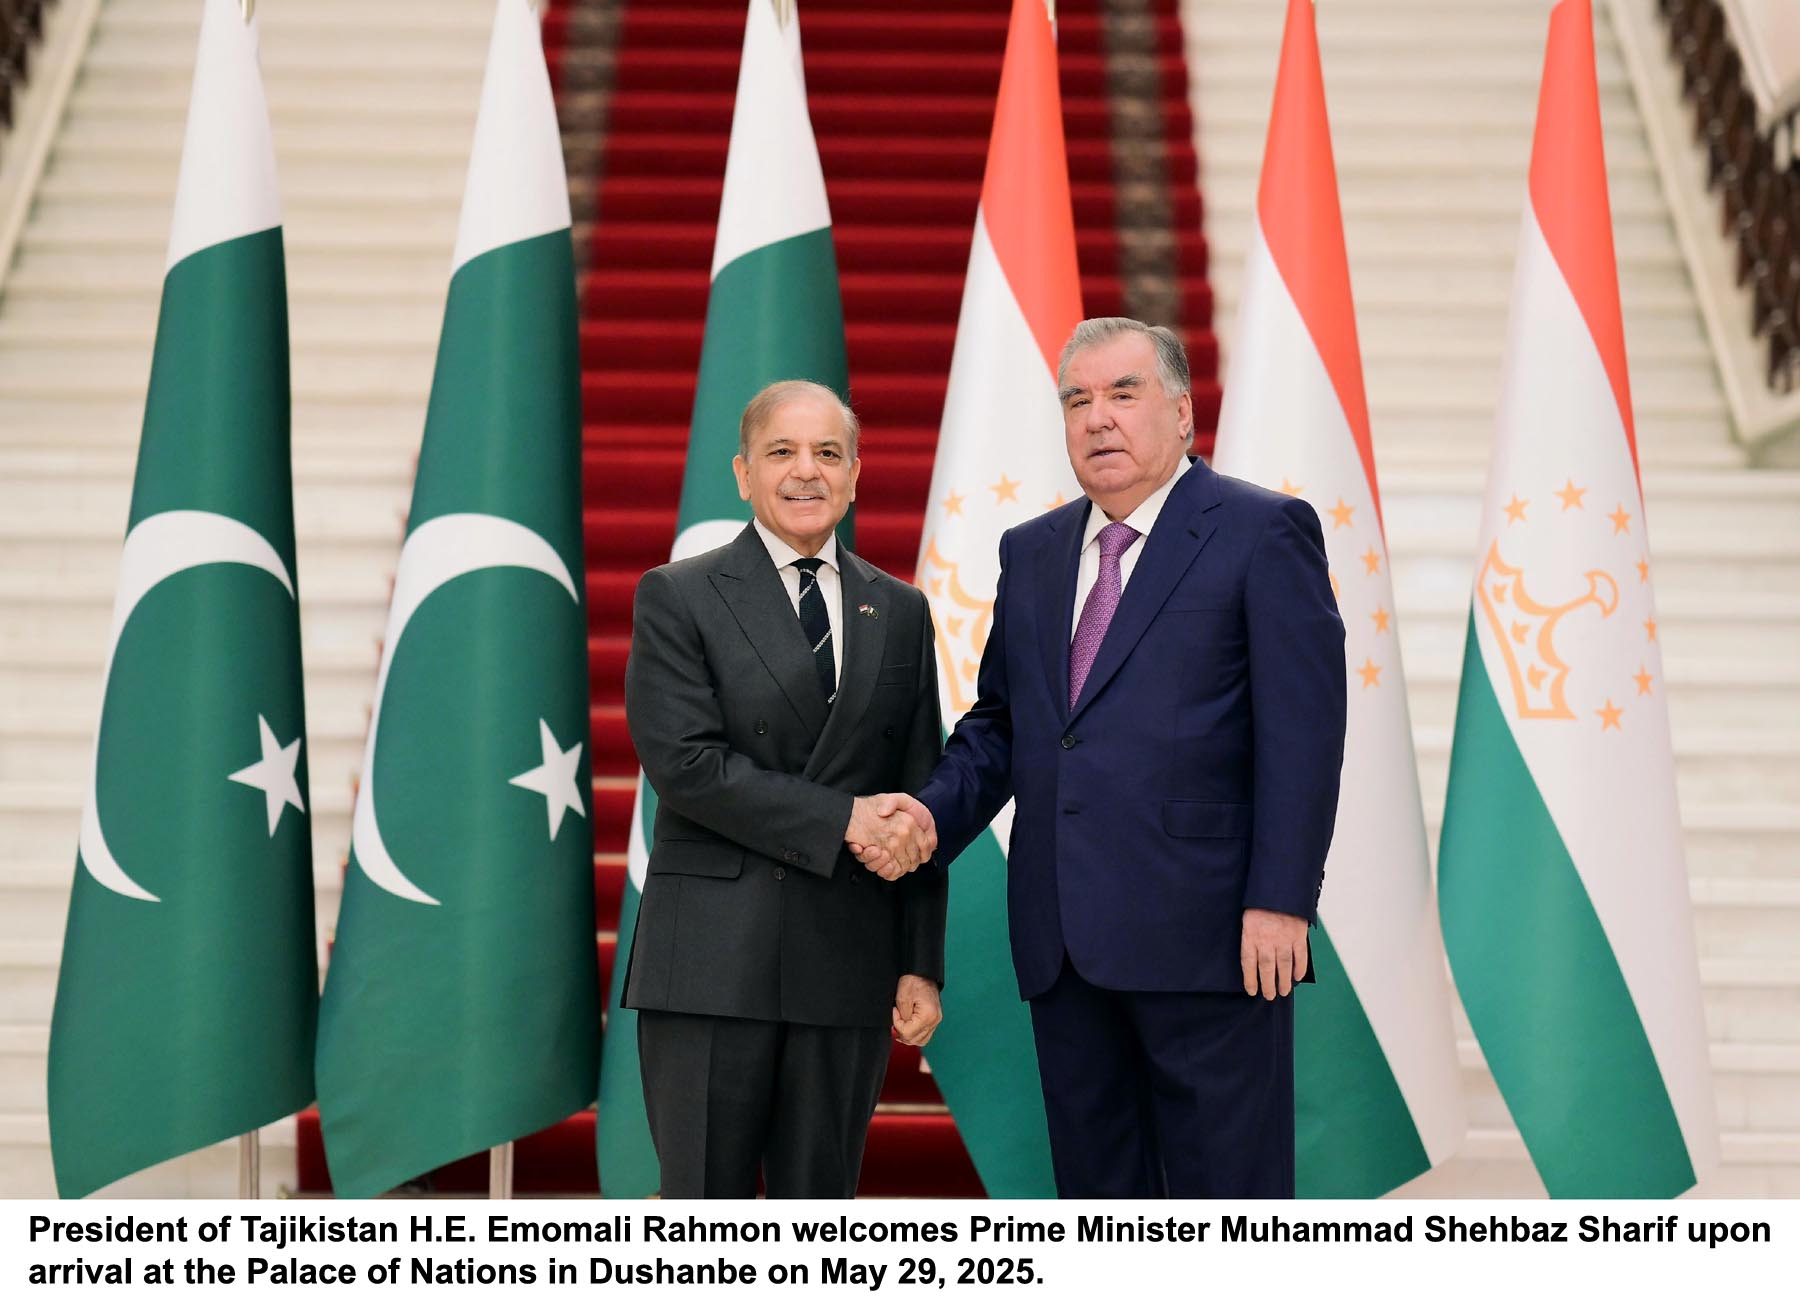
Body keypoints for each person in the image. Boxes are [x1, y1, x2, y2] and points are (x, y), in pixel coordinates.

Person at [862, 318, 1346, 1198]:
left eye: (1125, 393)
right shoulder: (1033, 551)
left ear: (1183, 413)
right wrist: (929, 814)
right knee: (1098, 1204)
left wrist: (1281, 897)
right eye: (1077, 400)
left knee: (1228, 1207)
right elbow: (1004, 724)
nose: (1098, 418)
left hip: (1211, 942)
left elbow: (1304, 735)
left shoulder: (1263, 531)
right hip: (1065, 946)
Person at [620, 379, 946, 1199]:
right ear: (743, 473)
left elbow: (916, 795)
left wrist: (920, 963)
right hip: (710, 964)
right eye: (782, 452)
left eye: (828, 453)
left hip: (846, 958)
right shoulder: (678, 594)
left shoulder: (901, 610)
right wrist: (842, 818)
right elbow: (687, 766)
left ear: (855, 475)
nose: (807, 471)